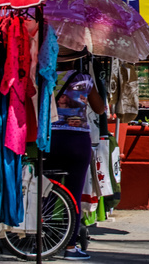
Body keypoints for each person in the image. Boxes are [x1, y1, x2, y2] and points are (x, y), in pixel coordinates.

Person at [47, 52, 106, 260]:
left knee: (46, 190)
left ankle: (42, 239)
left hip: (51, 138)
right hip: (77, 140)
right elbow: (100, 109)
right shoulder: (84, 79)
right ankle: (70, 247)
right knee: (74, 193)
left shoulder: (45, 76)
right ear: (75, 57)